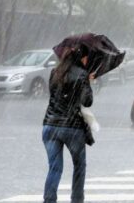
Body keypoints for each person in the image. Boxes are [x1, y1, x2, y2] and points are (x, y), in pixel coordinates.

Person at [42, 44, 93, 203]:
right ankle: (77, 199)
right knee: (79, 166)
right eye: (86, 58)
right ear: (82, 58)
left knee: (55, 168)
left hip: (50, 125)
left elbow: (55, 95)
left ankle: (49, 200)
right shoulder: (82, 74)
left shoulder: (54, 73)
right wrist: (87, 82)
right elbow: (87, 101)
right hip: (72, 128)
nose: (87, 61)